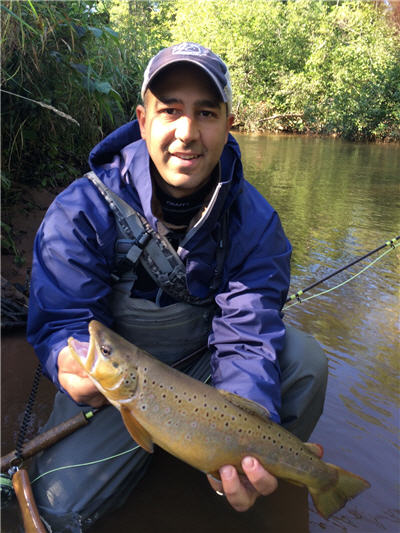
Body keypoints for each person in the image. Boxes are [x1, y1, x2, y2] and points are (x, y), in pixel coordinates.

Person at [27, 42, 327, 531]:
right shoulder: (81, 209)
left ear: (229, 123)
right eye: (170, 111)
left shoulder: (255, 223)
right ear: (143, 120)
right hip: (118, 390)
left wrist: (241, 432)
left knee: (304, 362)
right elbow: (64, 321)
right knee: (59, 506)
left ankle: (239, 474)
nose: (187, 133)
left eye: (205, 113)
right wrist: (66, 360)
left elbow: (247, 338)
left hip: (204, 370)